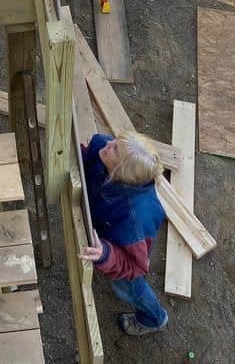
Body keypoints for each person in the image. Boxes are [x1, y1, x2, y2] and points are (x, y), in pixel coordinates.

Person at [79, 133, 168, 337]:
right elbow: (90, 153)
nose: (108, 143)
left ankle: (154, 318)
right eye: (116, 142)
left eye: (115, 149)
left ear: (119, 172)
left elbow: (134, 266)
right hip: (108, 225)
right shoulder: (105, 148)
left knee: (129, 288)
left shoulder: (136, 222)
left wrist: (106, 254)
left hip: (124, 247)